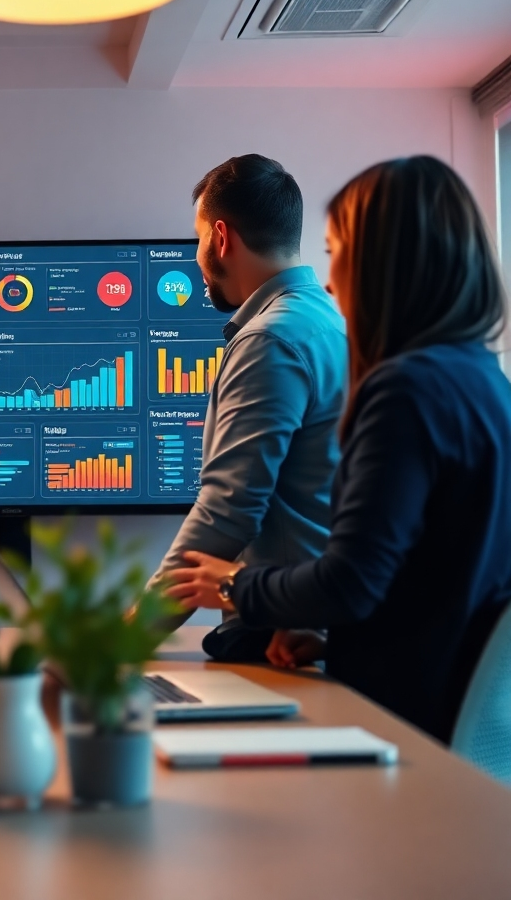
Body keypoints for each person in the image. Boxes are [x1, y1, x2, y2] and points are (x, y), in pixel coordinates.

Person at [166, 156, 511, 743]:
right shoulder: (485, 381)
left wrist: (231, 585)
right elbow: (444, 578)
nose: (329, 277)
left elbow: (349, 576)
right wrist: (343, 638)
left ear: (383, 264)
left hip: (404, 720)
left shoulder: (404, 389)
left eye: (338, 249)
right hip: (453, 707)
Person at [148, 154, 348, 660]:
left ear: (220, 237)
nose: (196, 257)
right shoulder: (329, 320)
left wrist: (123, 638)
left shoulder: (269, 341)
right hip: (318, 630)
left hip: (278, 640)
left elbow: (226, 513)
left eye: (197, 239)